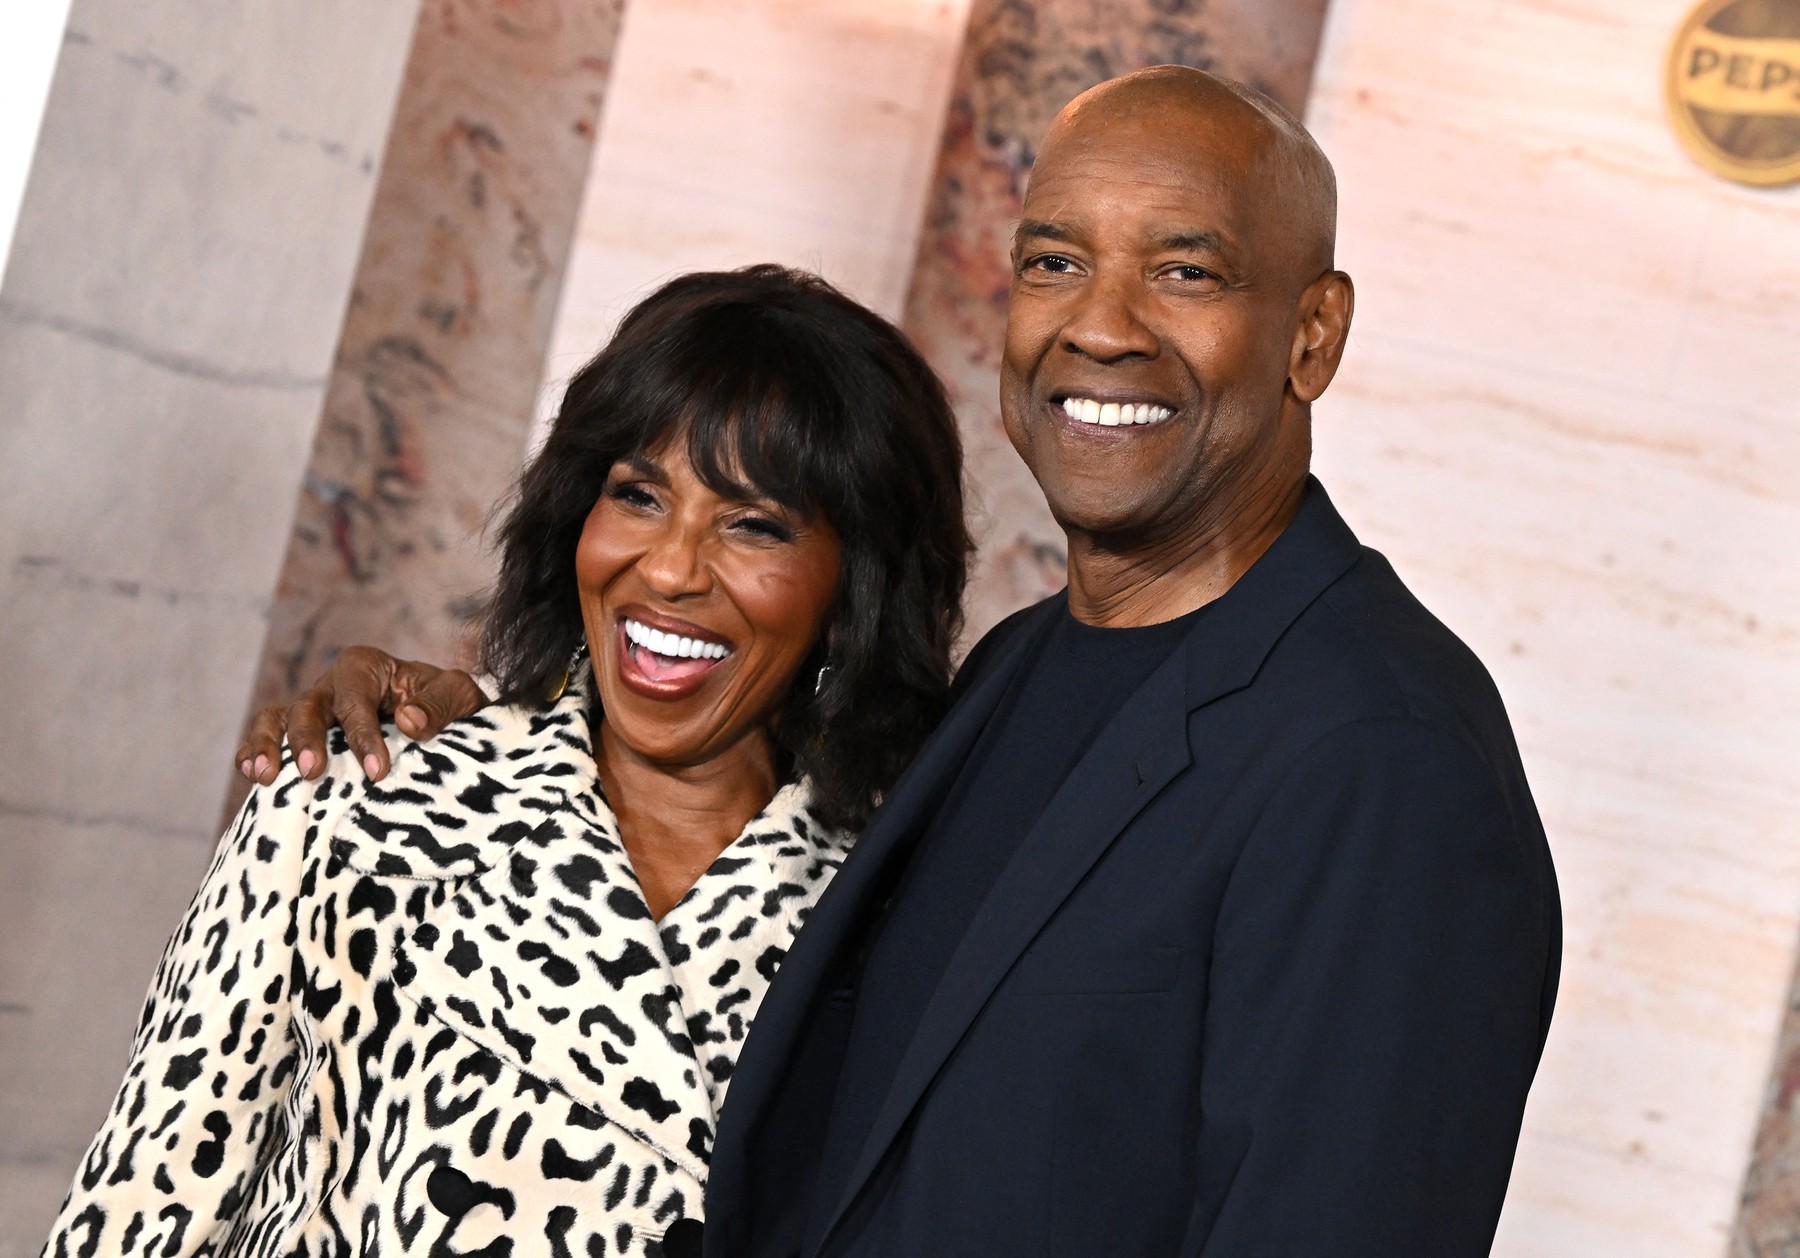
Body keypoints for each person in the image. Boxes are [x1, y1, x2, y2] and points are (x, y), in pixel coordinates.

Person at [248, 68, 1561, 1256]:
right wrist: (492, 735)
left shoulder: (1384, 760)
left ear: (1313, 334)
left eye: (1185, 272)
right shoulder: (1015, 668)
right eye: (1055, 262)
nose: (1100, 326)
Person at [43, 265, 970, 1258]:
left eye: (752, 524)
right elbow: (138, 1216)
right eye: (638, 495)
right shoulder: (350, 807)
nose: (667, 568)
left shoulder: (891, 932)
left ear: (856, 584)